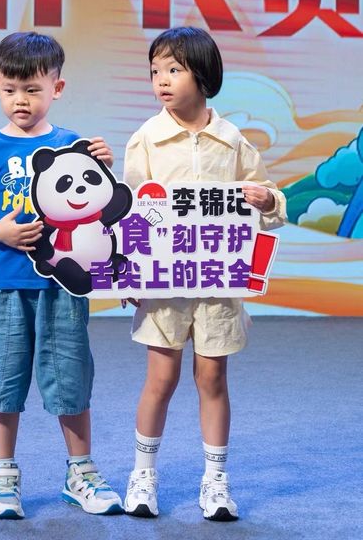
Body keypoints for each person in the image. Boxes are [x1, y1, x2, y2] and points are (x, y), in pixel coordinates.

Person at [121, 27, 286, 522]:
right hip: (165, 283)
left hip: (217, 282)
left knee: (212, 377)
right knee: (161, 377)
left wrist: (266, 199)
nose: (161, 80)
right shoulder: (146, 139)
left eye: (173, 70)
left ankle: (215, 480)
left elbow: (267, 202)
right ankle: (143, 475)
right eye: (155, 71)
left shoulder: (231, 140)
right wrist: (130, 273)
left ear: (203, 74)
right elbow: (128, 211)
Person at [0, 31, 123, 519]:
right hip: (6, 283)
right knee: (1, 380)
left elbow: (100, 205)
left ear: (57, 87)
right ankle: (3, 476)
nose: (20, 100)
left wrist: (106, 166)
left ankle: (81, 473)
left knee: (70, 377)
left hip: (64, 285)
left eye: (32, 89)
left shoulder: (72, 145)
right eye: (9, 89)